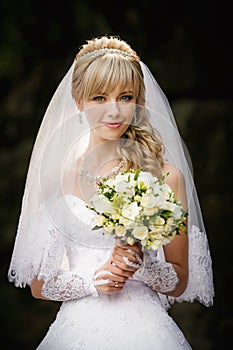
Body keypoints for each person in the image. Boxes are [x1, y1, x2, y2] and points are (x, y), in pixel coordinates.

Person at [8, 35, 214, 349]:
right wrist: (94, 281)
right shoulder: (58, 177)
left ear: (139, 101)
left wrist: (142, 263)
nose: (114, 111)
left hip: (148, 330)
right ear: (79, 101)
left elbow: (179, 279)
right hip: (77, 329)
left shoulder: (166, 177)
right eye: (100, 98)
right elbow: (39, 284)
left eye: (126, 97)